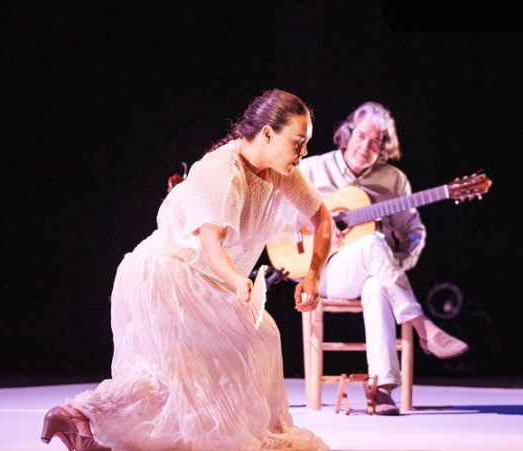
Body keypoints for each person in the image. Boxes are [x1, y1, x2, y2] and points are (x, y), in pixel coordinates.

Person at [41, 89, 333, 450]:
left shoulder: (281, 172)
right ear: (269, 134)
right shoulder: (222, 170)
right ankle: (81, 415)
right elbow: (211, 244)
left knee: (195, 371)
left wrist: (313, 273)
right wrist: (235, 281)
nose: (303, 153)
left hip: (200, 279)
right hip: (167, 276)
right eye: (298, 142)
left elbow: (322, 219)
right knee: (201, 367)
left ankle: (77, 419)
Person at [298, 101, 468, 416]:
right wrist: (315, 225)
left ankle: (383, 387)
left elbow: (414, 234)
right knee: (374, 244)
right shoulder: (311, 170)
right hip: (319, 271)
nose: (366, 145)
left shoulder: (394, 181)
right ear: (347, 134)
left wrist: (395, 267)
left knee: (378, 282)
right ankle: (424, 329)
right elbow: (277, 214)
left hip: (374, 272)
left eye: (376, 141)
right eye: (361, 136)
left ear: (384, 147)